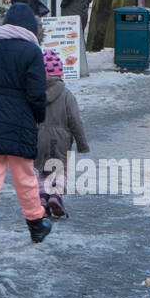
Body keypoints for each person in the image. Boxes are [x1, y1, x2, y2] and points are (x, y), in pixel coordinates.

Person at [0, 4, 51, 251]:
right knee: (25, 179)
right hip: (20, 122)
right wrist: (36, 116)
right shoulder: (32, 52)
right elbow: (37, 94)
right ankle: (36, 225)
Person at [36, 49, 89, 219]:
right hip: (61, 141)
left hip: (40, 140)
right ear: (60, 73)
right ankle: (56, 196)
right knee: (60, 171)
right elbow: (75, 121)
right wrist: (82, 144)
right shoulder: (67, 96)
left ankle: (43, 200)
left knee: (44, 171)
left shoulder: (35, 95)